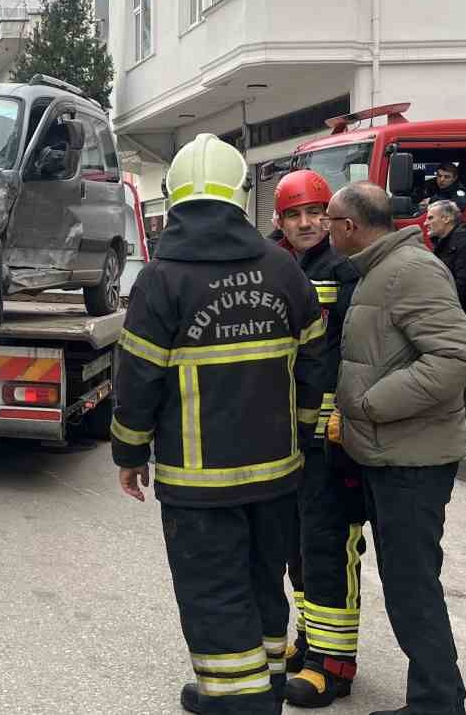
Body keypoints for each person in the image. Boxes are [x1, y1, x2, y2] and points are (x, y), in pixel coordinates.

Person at [111, 135, 323, 715]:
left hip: (199, 482)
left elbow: (138, 380)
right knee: (261, 583)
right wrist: (302, 435)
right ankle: (262, 689)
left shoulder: (162, 280)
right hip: (277, 473)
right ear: (239, 194)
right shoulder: (284, 269)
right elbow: (314, 365)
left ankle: (239, 702)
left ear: (175, 197)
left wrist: (129, 454)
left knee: (213, 593)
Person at [326, 182, 466, 715]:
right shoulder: (380, 268)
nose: (324, 230)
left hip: (411, 459)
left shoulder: (409, 270)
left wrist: (371, 404)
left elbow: (459, 357)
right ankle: (436, 698)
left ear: (350, 226)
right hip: (388, 454)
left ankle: (438, 703)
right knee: (406, 581)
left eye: (329, 221)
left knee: (413, 585)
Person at [266, 171, 364, 709]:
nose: (306, 223)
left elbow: (356, 352)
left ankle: (334, 664)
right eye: (295, 215)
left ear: (332, 216)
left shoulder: (346, 270)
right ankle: (311, 646)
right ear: (279, 220)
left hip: (335, 439)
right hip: (295, 438)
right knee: (299, 550)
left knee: (330, 547)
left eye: (315, 213)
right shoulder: (282, 267)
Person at [426, 200, 466, 448]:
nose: (425, 222)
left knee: (465, 386)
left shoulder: (463, 247)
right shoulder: (443, 246)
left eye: (431, 217)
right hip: (444, 325)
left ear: (447, 219)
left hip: (462, 325)